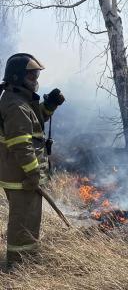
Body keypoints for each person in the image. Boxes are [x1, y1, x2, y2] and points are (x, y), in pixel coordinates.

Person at [0, 53, 65, 269]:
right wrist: (33, 173)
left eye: (36, 75)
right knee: (23, 222)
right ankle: (18, 266)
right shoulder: (16, 105)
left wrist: (50, 105)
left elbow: (36, 120)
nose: (36, 80)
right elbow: (21, 144)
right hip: (21, 177)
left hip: (22, 175)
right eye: (31, 76)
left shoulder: (20, 100)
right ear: (17, 77)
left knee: (29, 220)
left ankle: (27, 260)